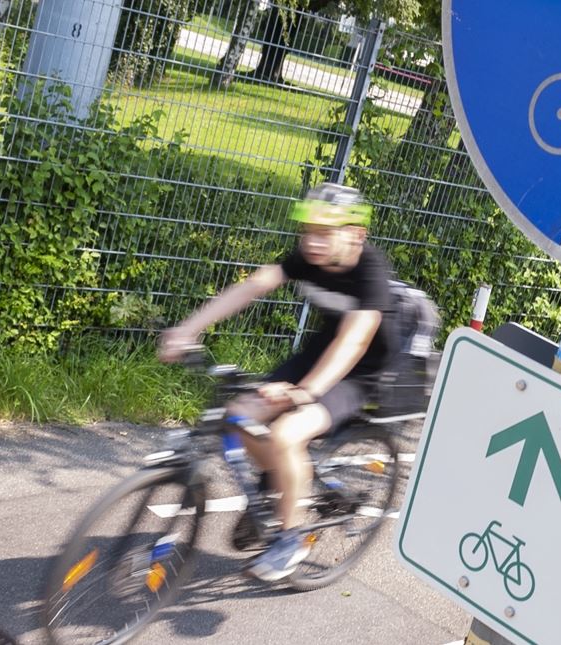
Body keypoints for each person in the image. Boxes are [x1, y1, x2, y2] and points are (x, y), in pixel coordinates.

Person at [158, 182, 399, 582]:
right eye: (307, 231)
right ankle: (285, 489)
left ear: (356, 234)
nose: (312, 242)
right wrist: (189, 328)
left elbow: (355, 340)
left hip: (361, 372)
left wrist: (305, 392)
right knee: (238, 414)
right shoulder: (309, 257)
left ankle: (291, 537)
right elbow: (254, 286)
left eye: (325, 232)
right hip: (319, 354)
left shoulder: (371, 272)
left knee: (287, 433)